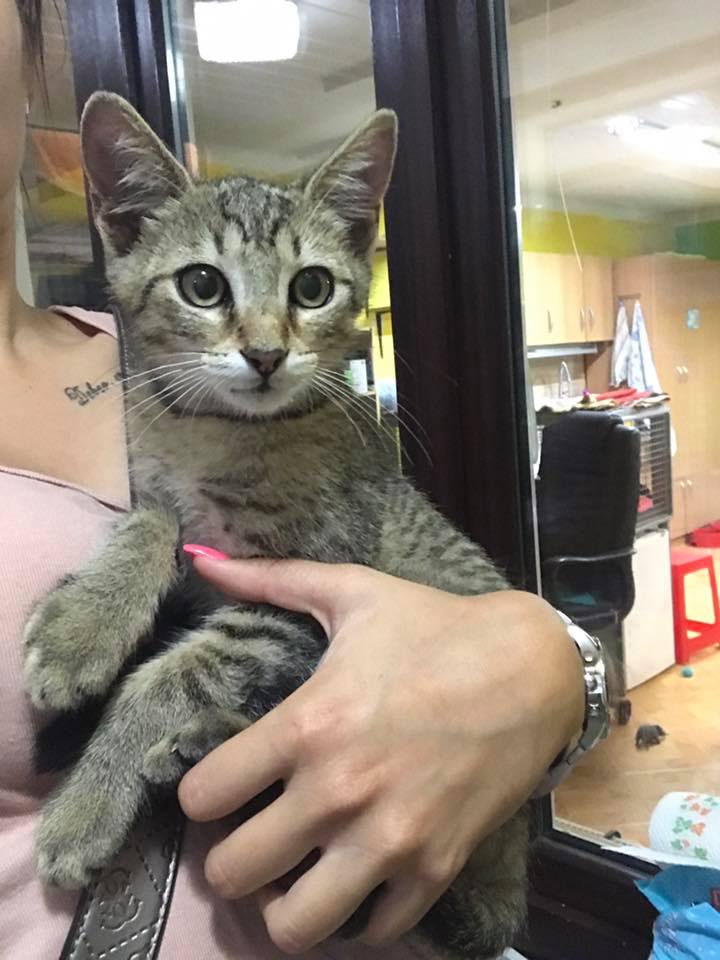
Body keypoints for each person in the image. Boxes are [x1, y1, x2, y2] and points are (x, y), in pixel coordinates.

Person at [0, 1, 587, 956]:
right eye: (207, 287)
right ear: (124, 226)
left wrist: (562, 668)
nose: (266, 342)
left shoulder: (285, 429)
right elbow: (206, 550)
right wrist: (140, 552)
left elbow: (292, 611)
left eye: (310, 289)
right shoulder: (157, 396)